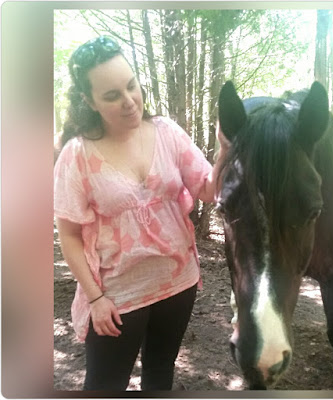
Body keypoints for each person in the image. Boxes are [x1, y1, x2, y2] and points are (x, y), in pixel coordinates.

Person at [54, 36, 230, 391]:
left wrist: (225, 149)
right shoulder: (77, 155)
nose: (129, 101)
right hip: (116, 296)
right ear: (89, 101)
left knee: (160, 373)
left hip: (178, 282)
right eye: (112, 95)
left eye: (131, 85)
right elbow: (69, 236)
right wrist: (95, 298)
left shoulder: (167, 133)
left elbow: (208, 190)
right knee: (104, 386)